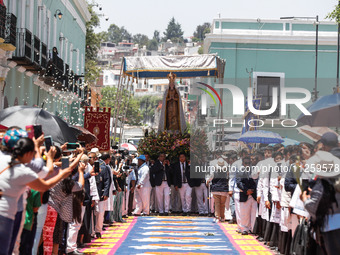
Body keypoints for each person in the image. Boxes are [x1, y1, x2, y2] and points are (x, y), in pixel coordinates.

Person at [0, 131, 72, 255]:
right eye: (32, 153)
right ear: (27, 152)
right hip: (6, 214)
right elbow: (44, 184)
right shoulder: (21, 170)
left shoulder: (3, 158)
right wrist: (61, 174)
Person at [236, 156, 257, 235]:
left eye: (249, 163)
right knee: (244, 213)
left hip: (253, 195)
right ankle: (244, 228)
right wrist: (246, 190)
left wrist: (252, 190)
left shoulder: (254, 171)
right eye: (246, 163)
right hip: (244, 195)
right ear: (242, 163)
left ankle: (253, 229)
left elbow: (257, 181)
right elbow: (239, 182)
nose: (247, 165)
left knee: (254, 213)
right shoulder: (239, 172)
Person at [94, 151, 111, 238]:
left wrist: (105, 192)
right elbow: (107, 181)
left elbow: (107, 180)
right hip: (97, 192)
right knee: (99, 213)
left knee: (99, 213)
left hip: (98, 192)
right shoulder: (102, 166)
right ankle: (96, 230)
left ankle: (97, 230)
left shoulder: (104, 166)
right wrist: (105, 193)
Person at [209, 157, 229, 222]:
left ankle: (217, 217)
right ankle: (222, 217)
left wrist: (207, 181)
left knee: (217, 204)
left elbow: (211, 177)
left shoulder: (214, 170)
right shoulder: (226, 171)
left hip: (216, 188)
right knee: (222, 204)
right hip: (224, 188)